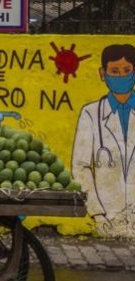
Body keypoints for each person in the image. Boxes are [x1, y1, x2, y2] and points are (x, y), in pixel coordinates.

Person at [72, 44, 135, 236]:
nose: (121, 77)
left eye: (126, 71)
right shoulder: (90, 113)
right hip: (105, 215)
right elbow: (80, 167)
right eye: (114, 71)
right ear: (102, 73)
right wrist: (97, 213)